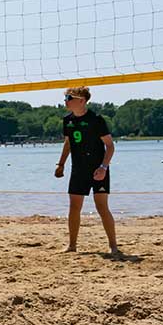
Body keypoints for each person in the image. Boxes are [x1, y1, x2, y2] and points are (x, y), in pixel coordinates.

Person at [55, 86, 119, 254]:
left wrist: (103, 167)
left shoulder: (96, 120)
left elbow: (110, 146)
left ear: (81, 100)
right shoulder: (67, 120)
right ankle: (72, 246)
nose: (66, 102)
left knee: (102, 207)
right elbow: (68, 143)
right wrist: (60, 164)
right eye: (66, 98)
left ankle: (113, 246)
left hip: (98, 169)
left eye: (69, 98)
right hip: (78, 169)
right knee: (74, 207)